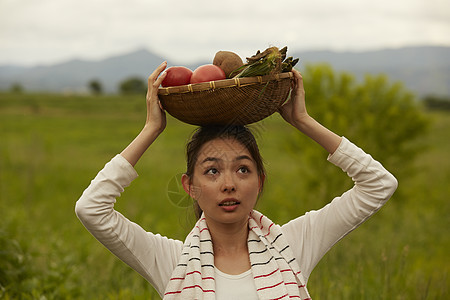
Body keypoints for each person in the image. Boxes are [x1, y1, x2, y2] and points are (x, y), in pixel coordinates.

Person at [75, 61, 398, 299]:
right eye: (212, 171)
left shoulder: (292, 245)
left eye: (243, 169)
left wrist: (302, 120)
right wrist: (151, 130)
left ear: (260, 180)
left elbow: (378, 184)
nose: (229, 184)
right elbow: (92, 209)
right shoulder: (173, 261)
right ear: (191, 187)